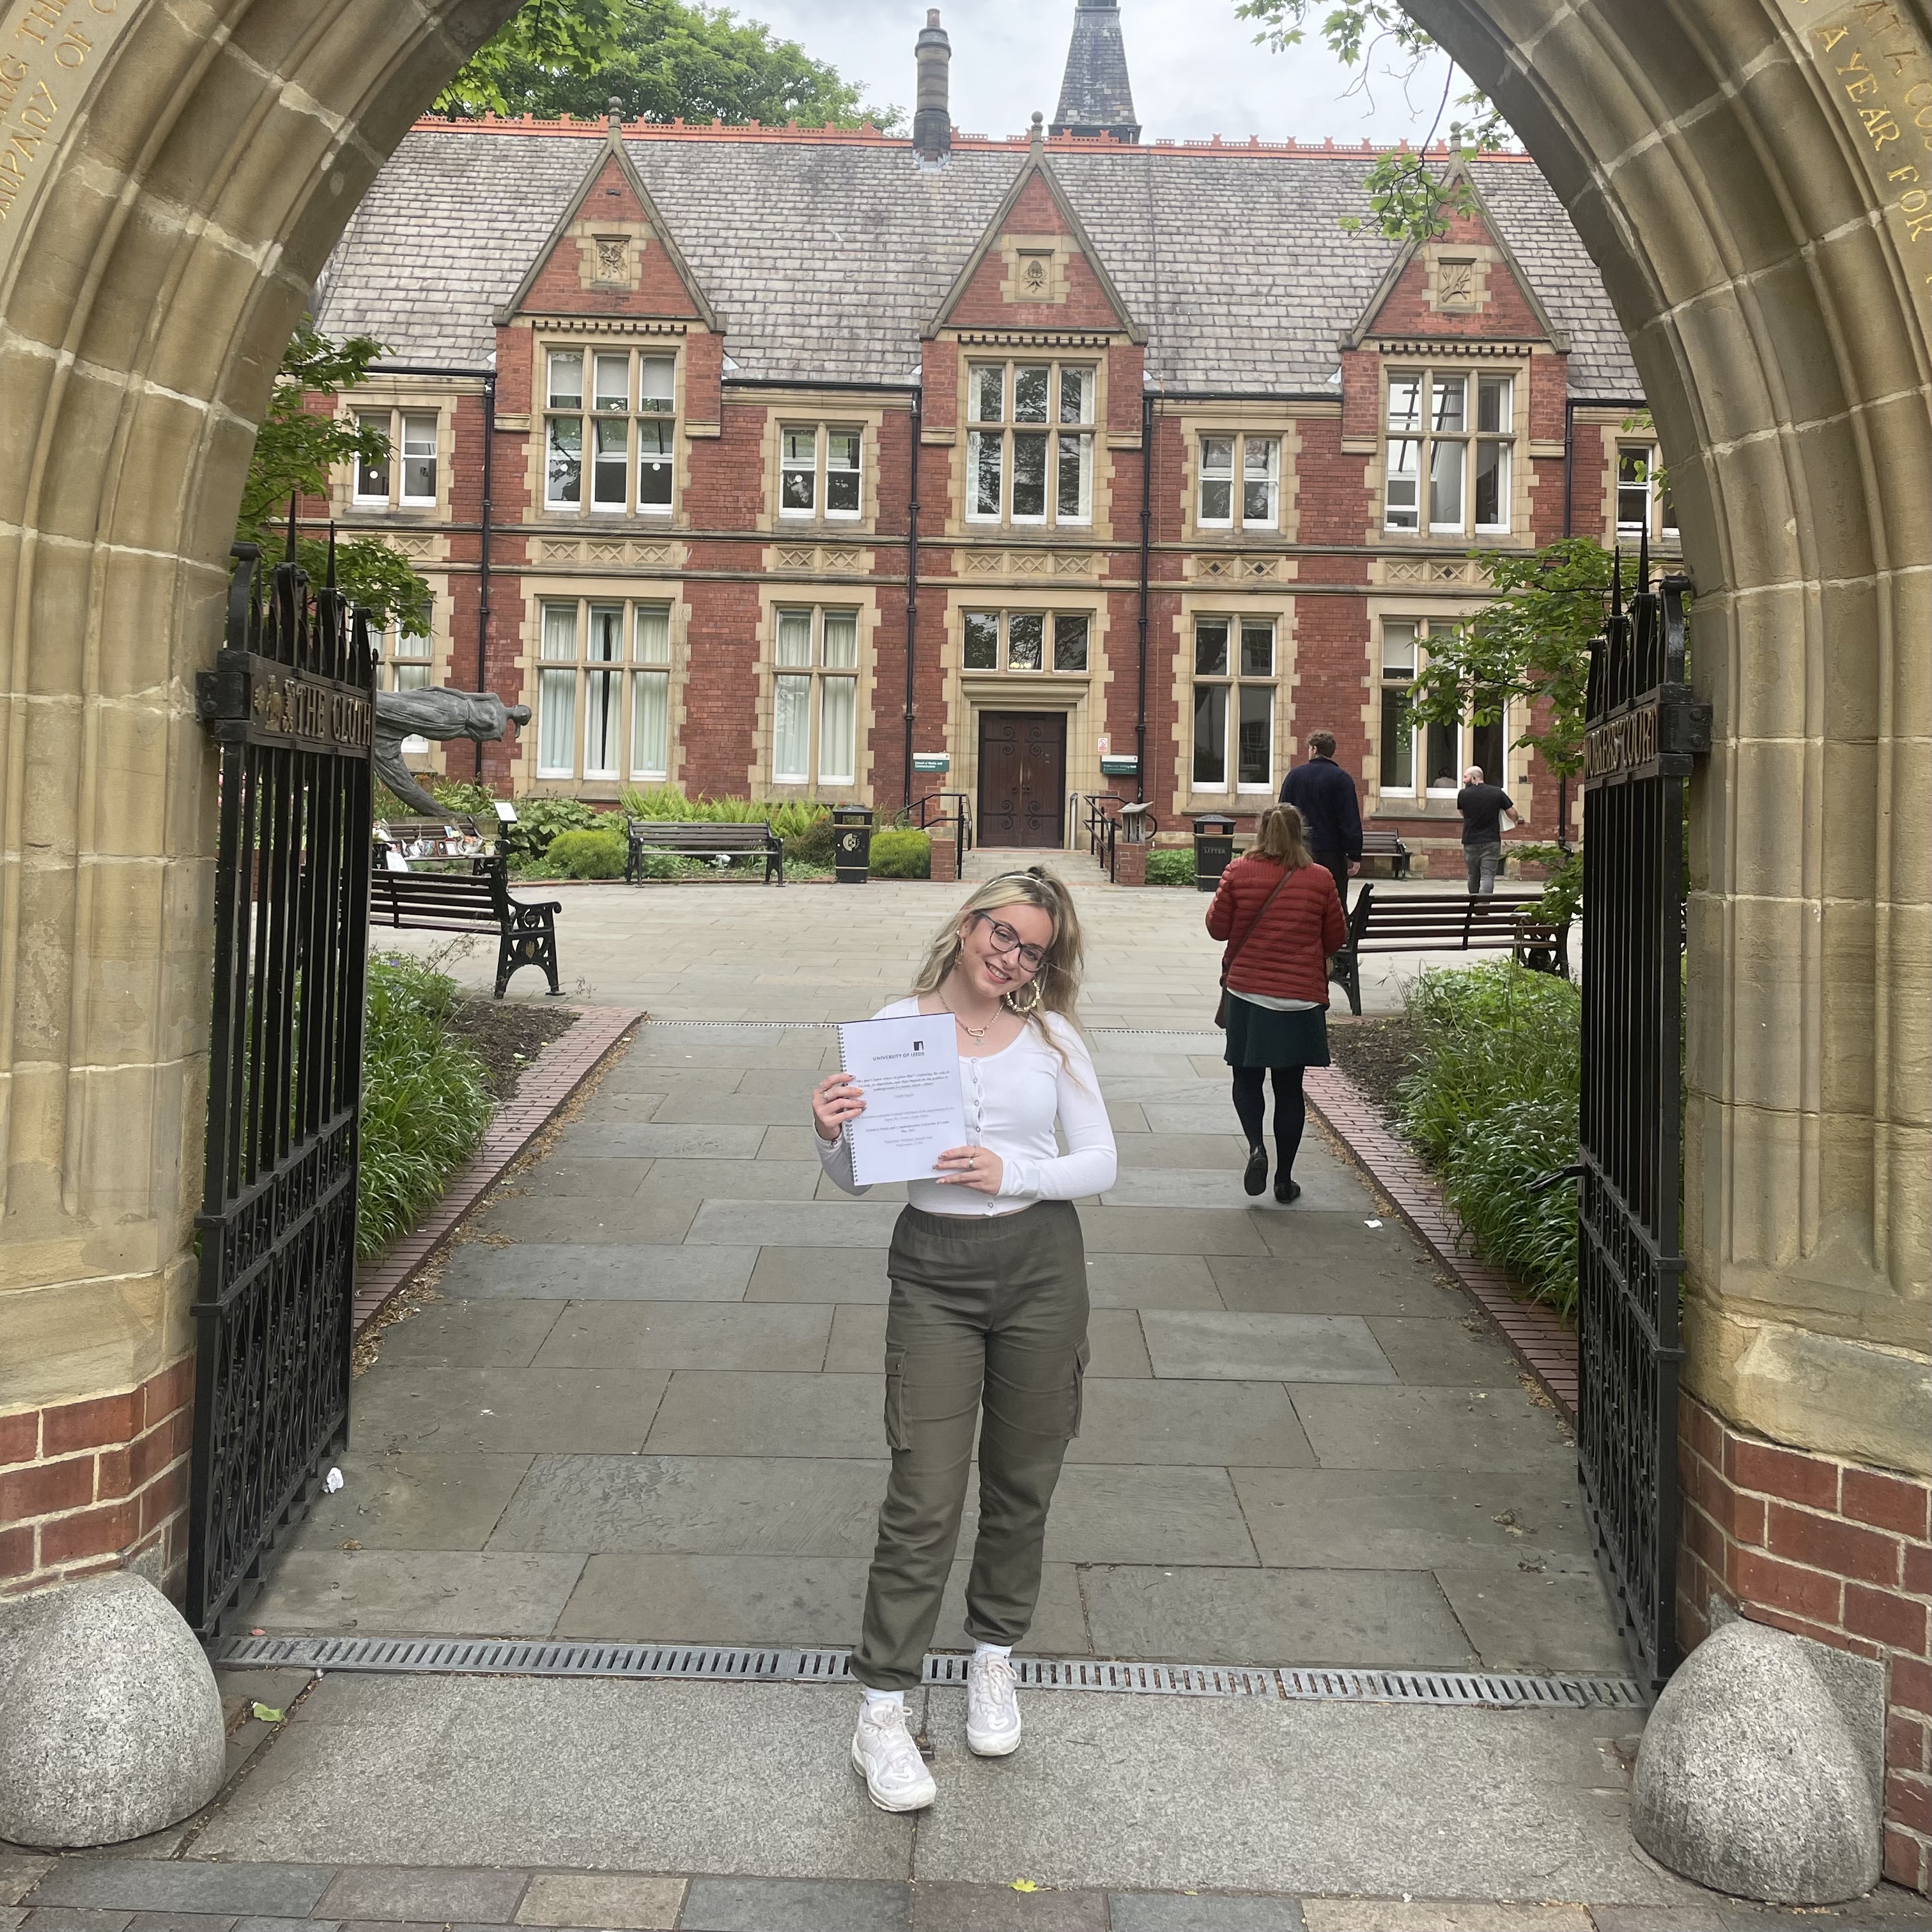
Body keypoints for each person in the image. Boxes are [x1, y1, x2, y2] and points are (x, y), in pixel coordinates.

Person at [811, 868, 1115, 1814]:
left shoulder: (1052, 1038)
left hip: (1039, 1264)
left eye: (1032, 947)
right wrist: (827, 1134)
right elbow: (859, 1176)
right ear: (966, 920)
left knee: (1023, 1477)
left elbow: (1100, 1159)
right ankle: (882, 1709)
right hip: (933, 1268)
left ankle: (993, 1655)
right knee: (923, 1488)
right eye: (1002, 931)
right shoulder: (894, 1022)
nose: (1010, 955)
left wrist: (1009, 1167)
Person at [1205, 805, 1347, 1205]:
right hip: (1300, 999)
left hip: (1248, 993)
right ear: (1301, 834)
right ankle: (1285, 1180)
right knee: (1290, 1089)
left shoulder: (1238, 871)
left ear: (1260, 832)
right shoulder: (1320, 879)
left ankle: (1256, 1148)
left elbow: (1217, 929)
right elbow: (1335, 936)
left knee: (1246, 1078)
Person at [1455, 764, 1517, 895]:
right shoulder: (1497, 792)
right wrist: (1515, 819)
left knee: (1473, 876)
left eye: (1465, 777)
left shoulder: (1463, 794)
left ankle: (1473, 904)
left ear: (1474, 778)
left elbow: (1463, 813)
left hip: (1470, 841)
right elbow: (1512, 813)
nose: (1463, 780)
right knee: (1487, 877)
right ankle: (1482, 909)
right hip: (1491, 841)